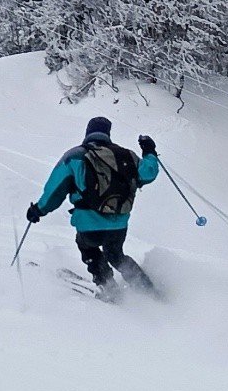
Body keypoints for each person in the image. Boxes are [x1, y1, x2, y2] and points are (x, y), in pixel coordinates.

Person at [27, 116, 160, 298]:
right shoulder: (126, 156)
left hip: (89, 224)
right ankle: (148, 291)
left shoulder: (75, 156)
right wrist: (149, 151)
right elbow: (148, 173)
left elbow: (55, 189)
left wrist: (39, 210)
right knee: (116, 255)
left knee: (87, 247)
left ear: (88, 132)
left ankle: (108, 286)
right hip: (119, 224)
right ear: (108, 134)